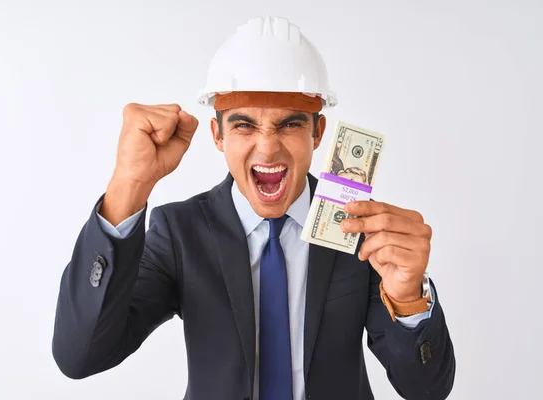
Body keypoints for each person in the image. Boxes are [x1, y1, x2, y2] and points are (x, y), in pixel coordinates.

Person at [51, 16, 455, 400]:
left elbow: (426, 389)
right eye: (244, 125)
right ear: (218, 135)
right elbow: (81, 356)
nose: (267, 147)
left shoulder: (359, 230)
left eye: (290, 124)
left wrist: (407, 299)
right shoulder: (179, 231)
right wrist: (128, 185)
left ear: (318, 132)